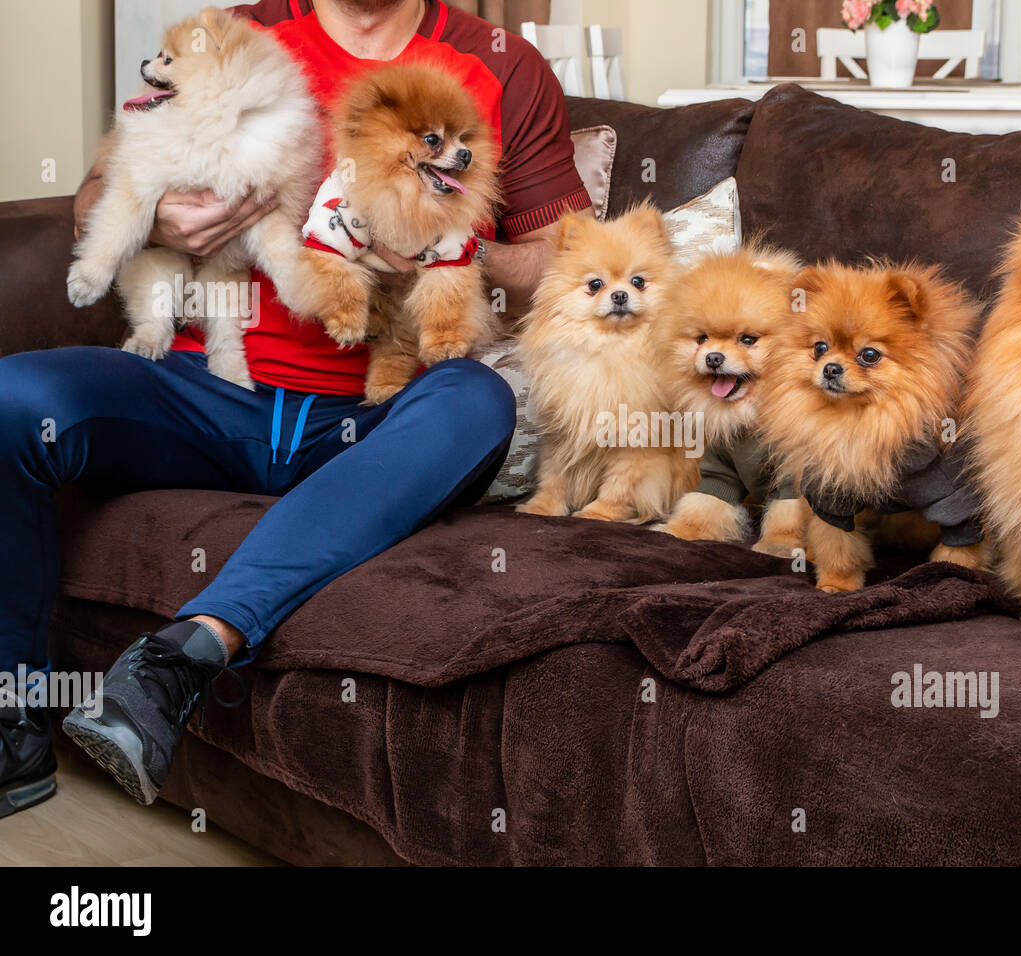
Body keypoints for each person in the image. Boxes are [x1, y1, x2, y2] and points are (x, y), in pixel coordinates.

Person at [0, 0, 593, 813]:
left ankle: (185, 654)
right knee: (15, 397)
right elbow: (97, 191)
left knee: (477, 400)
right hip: (212, 391)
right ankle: (14, 726)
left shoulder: (502, 65)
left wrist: (453, 238)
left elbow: (575, 268)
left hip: (377, 417)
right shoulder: (238, 33)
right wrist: (160, 215)